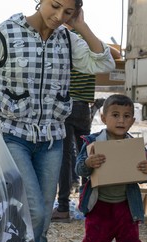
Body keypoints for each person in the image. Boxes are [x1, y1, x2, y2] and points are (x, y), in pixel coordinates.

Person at [0, 0, 115, 242]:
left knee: (41, 224)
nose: (58, 16)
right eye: (54, 6)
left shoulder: (68, 39)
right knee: (35, 211)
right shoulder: (7, 31)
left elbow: (104, 64)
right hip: (13, 136)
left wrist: (81, 25)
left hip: (52, 140)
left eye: (67, 11)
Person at [74, 94, 147, 242]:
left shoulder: (134, 147)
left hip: (127, 208)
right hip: (99, 208)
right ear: (104, 118)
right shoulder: (93, 142)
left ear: (132, 121)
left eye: (126, 116)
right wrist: (89, 163)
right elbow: (79, 169)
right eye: (115, 115)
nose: (121, 121)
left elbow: (146, 175)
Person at [52, 35, 122, 222]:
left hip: (65, 105)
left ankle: (64, 207)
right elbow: (117, 53)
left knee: (65, 158)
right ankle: (88, 204)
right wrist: (96, 41)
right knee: (87, 154)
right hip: (83, 108)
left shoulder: (65, 42)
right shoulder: (91, 47)